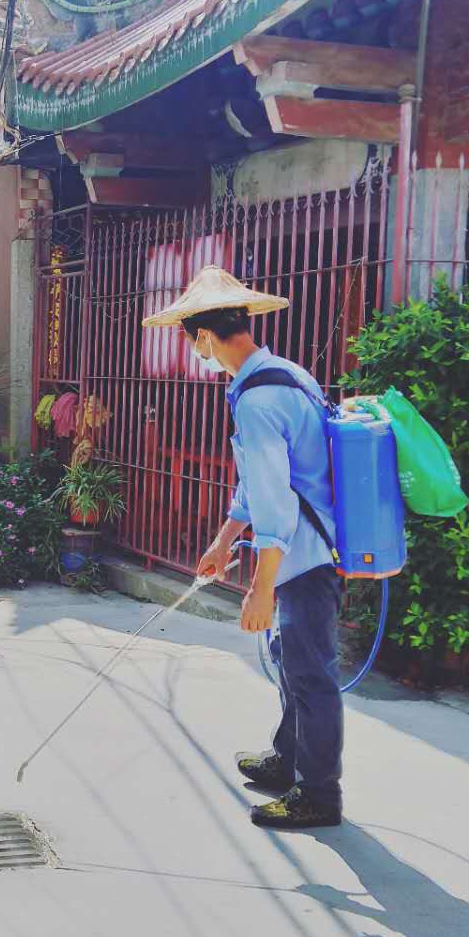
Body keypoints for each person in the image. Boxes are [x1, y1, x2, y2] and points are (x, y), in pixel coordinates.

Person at [142, 267, 343, 830]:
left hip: (305, 557)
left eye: (193, 342)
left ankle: (319, 795)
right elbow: (256, 479)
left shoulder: (256, 400)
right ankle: (289, 759)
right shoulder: (286, 375)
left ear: (205, 337)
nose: (196, 352)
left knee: (310, 674)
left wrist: (260, 588)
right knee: (291, 662)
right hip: (307, 549)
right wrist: (223, 539)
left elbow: (275, 501)